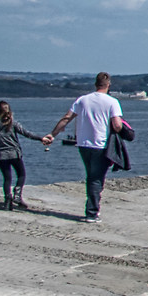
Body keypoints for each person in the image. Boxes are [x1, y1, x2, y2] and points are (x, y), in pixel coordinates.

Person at [44, 72, 121, 221]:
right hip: (101, 144)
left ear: (95, 84)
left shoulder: (82, 100)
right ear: (108, 85)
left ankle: (91, 209)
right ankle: (92, 212)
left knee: (91, 176)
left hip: (83, 144)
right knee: (96, 179)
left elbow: (66, 118)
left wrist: (52, 134)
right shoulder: (112, 102)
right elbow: (117, 126)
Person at [0, 100, 39, 210]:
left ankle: (7, 200)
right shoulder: (13, 124)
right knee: (21, 174)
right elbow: (27, 133)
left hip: (1, 155)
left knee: (7, 178)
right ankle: (17, 195)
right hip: (14, 154)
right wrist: (41, 138)